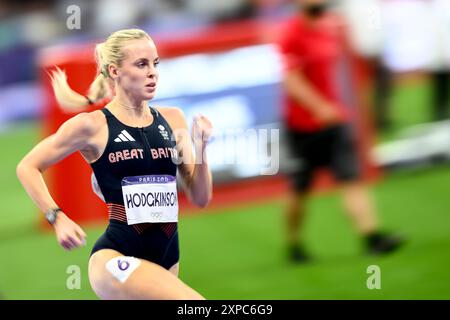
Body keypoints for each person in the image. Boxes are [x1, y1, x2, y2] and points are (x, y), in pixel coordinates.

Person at [16, 28, 213, 299]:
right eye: (141, 64)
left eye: (155, 63)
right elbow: (27, 166)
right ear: (115, 71)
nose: (152, 72)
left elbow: (201, 198)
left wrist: (201, 148)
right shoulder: (92, 126)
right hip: (115, 259)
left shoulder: (173, 119)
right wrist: (56, 217)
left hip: (168, 258)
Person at [277, 0, 403, 262]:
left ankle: (372, 237)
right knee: (300, 189)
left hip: (334, 121)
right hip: (302, 126)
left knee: (351, 179)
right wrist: (319, 106)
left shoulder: (330, 27)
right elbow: (291, 80)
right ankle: (294, 244)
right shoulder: (291, 34)